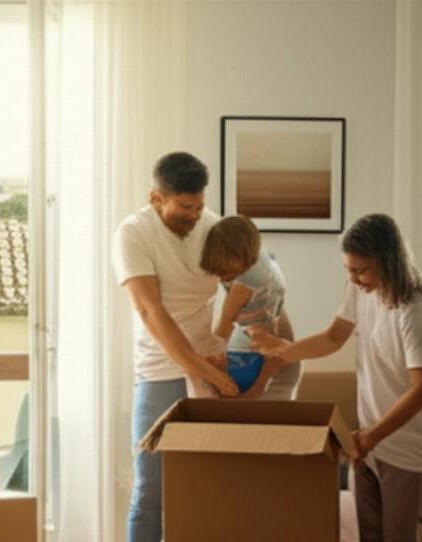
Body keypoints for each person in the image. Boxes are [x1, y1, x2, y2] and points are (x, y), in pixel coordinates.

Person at [113, 151, 299, 542]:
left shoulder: (213, 226)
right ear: (156, 198)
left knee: (210, 487)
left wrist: (274, 352)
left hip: (219, 363)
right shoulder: (134, 234)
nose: (195, 215)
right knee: (152, 488)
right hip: (162, 368)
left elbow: (263, 290)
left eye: (199, 206)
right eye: (185, 207)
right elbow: (150, 311)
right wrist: (206, 370)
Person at [269, 213, 422, 542]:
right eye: (348, 269)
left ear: (387, 261)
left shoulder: (413, 306)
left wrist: (372, 436)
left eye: (360, 270)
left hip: (404, 448)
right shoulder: (361, 290)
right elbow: (334, 337)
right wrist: (280, 353)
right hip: (368, 442)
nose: (352, 278)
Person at [191, 215, 294, 398]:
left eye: (226, 272)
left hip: (270, 366)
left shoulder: (253, 280)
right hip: (261, 355)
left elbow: (226, 320)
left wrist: (209, 365)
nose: (222, 278)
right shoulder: (255, 258)